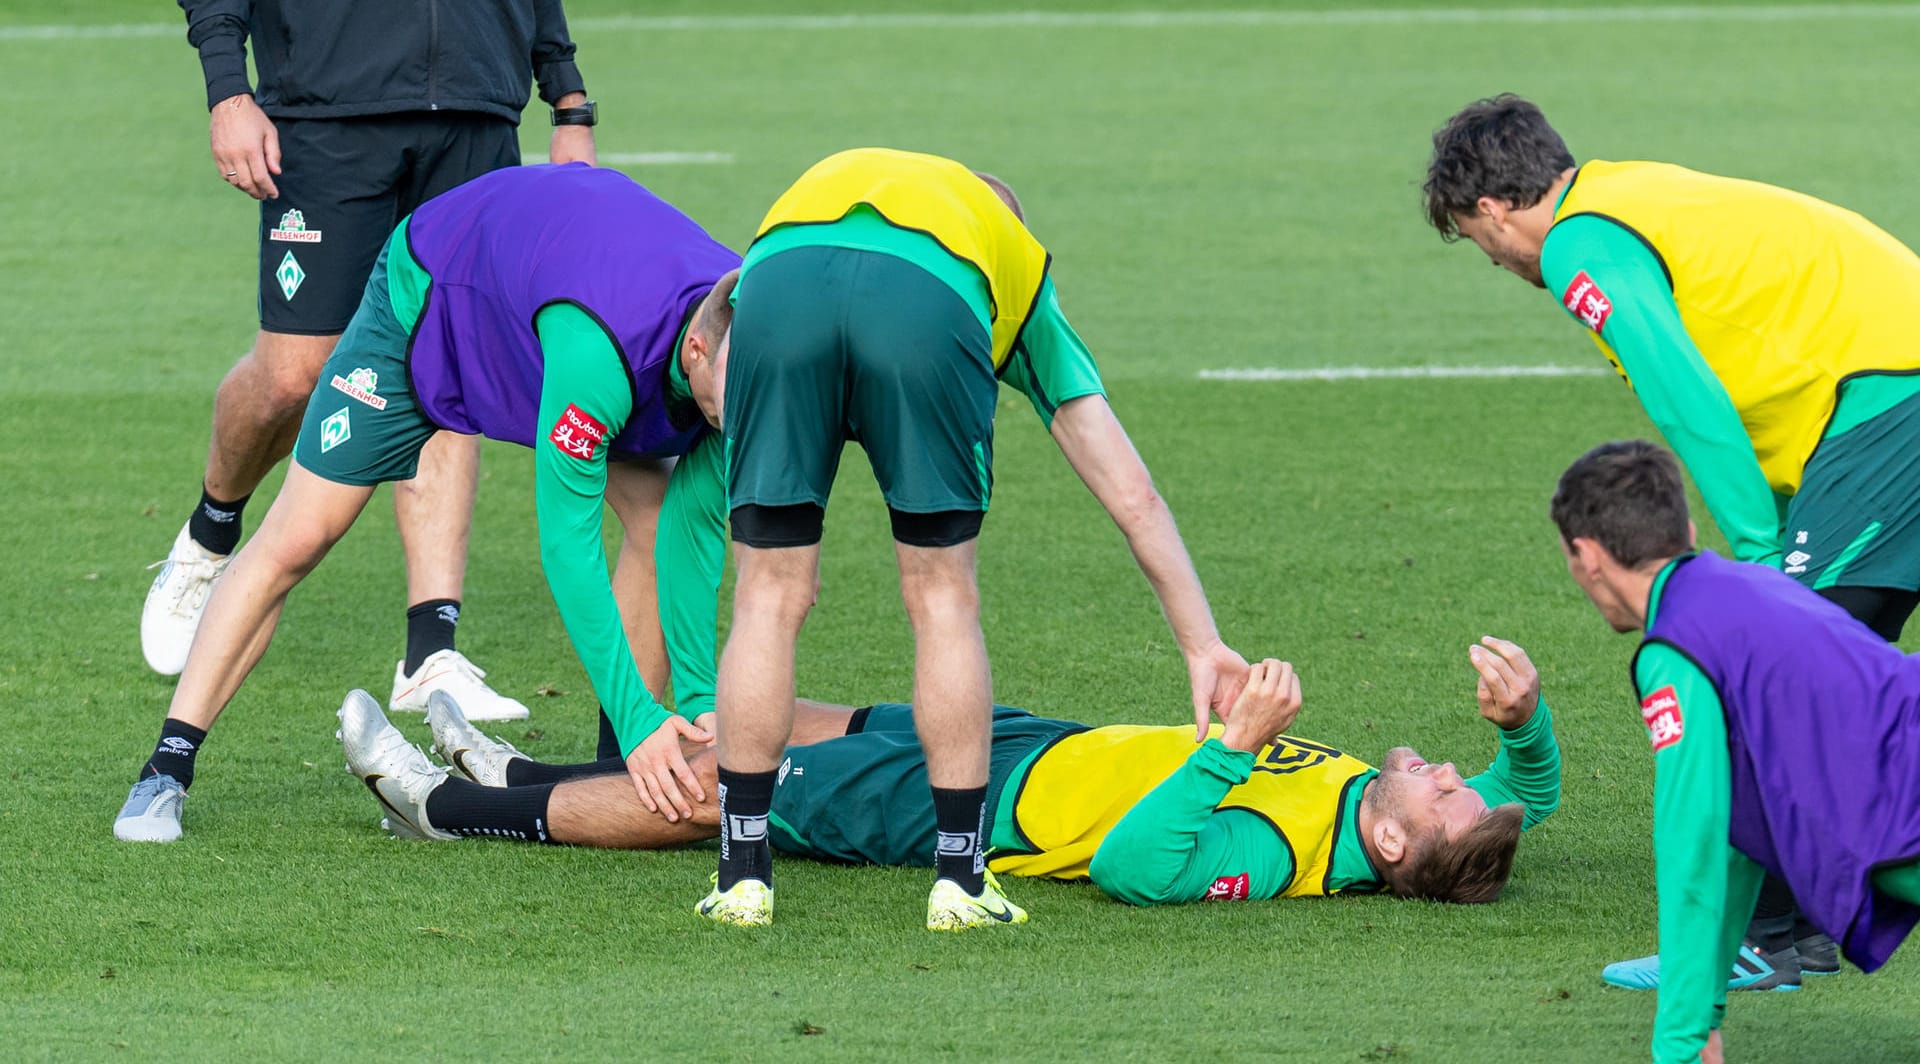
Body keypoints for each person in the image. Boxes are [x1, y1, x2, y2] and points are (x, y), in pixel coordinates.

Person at [1421, 92, 1920, 989]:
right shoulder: (1620, 194)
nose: (1491, 258)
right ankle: (1794, 921)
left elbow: (1683, 393)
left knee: (1764, 671)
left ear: (1491, 208)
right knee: (1820, 679)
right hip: (1878, 400)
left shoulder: (1581, 245)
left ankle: (1760, 937)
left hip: (1889, 407)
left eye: (1475, 236)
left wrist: (1762, 552)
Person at [709, 147, 1252, 930]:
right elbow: (1136, 494)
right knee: (941, 599)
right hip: (922, 310)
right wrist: (1202, 644)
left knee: (767, 593)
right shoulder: (1013, 270)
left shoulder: (857, 178)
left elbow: (731, 351)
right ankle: (960, 881)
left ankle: (741, 878)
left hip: (778, 280)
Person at [113, 164, 736, 843]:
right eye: (738, 394)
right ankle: (164, 770)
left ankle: (614, 775)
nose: (753, 413)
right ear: (699, 351)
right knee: (302, 533)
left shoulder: (747, 339)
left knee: (656, 517)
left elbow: (695, 530)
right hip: (431, 300)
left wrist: (702, 704)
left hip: (547, 316)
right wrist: (643, 711)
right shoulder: (599, 358)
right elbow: (567, 542)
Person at [149, 0, 601, 721]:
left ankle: (431, 653)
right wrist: (228, 92)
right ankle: (209, 533)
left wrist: (569, 99)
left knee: (449, 373)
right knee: (294, 378)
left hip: (475, 110)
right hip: (325, 109)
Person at [336, 642, 1559, 911]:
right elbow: (1530, 807)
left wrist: (1225, 753)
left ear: (1397, 848)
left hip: (999, 807)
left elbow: (1139, 868)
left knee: (740, 789)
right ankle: (518, 765)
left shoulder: (1286, 857)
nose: (1452, 768)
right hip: (1044, 740)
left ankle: (451, 811)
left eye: (1446, 791)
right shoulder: (1361, 800)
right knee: (805, 711)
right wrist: (1528, 728)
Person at [1551, 440, 1920, 1064]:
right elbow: (1741, 831)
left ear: (1586, 556)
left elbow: (1692, 835)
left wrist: (1681, 1039)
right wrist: (1705, 1013)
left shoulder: (1678, 650)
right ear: (1687, 531)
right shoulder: (1748, 587)